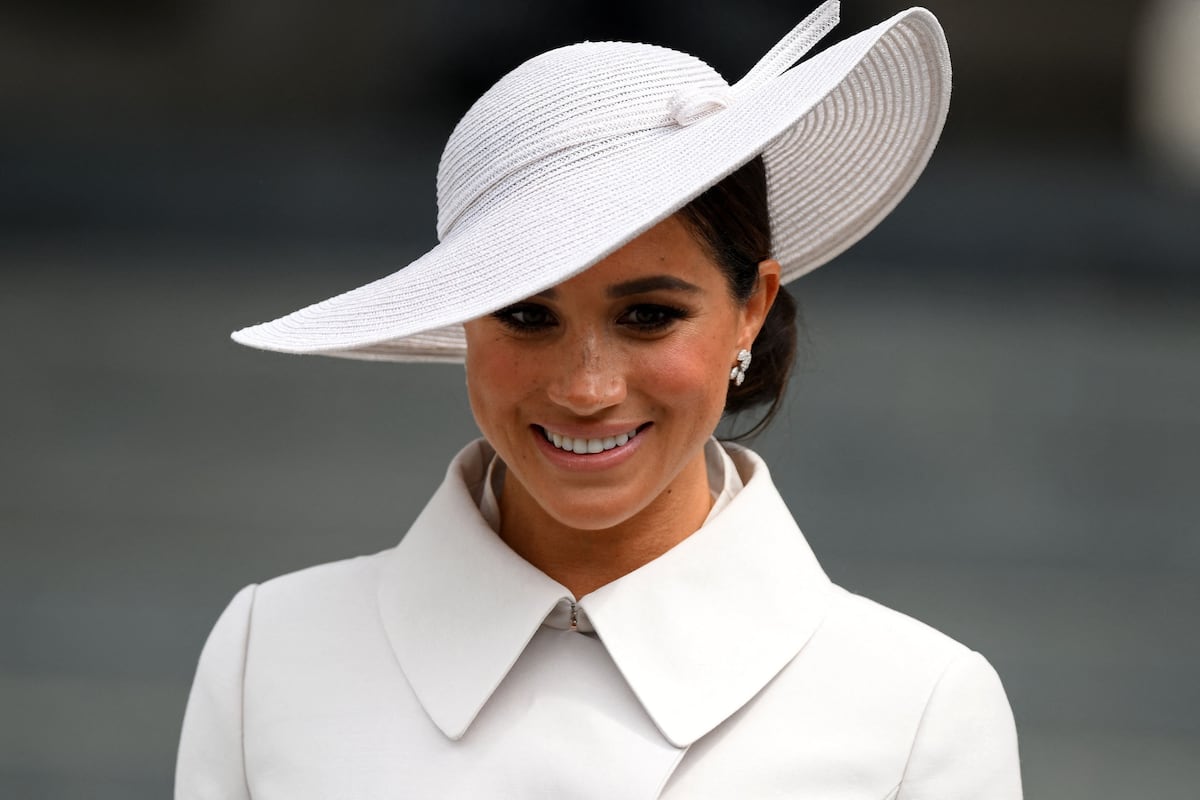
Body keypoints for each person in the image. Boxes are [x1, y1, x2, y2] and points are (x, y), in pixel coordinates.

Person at [176, 2, 1023, 797]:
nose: (587, 387)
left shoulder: (917, 711)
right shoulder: (270, 657)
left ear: (752, 309)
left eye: (650, 317)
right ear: (462, 323)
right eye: (525, 315)